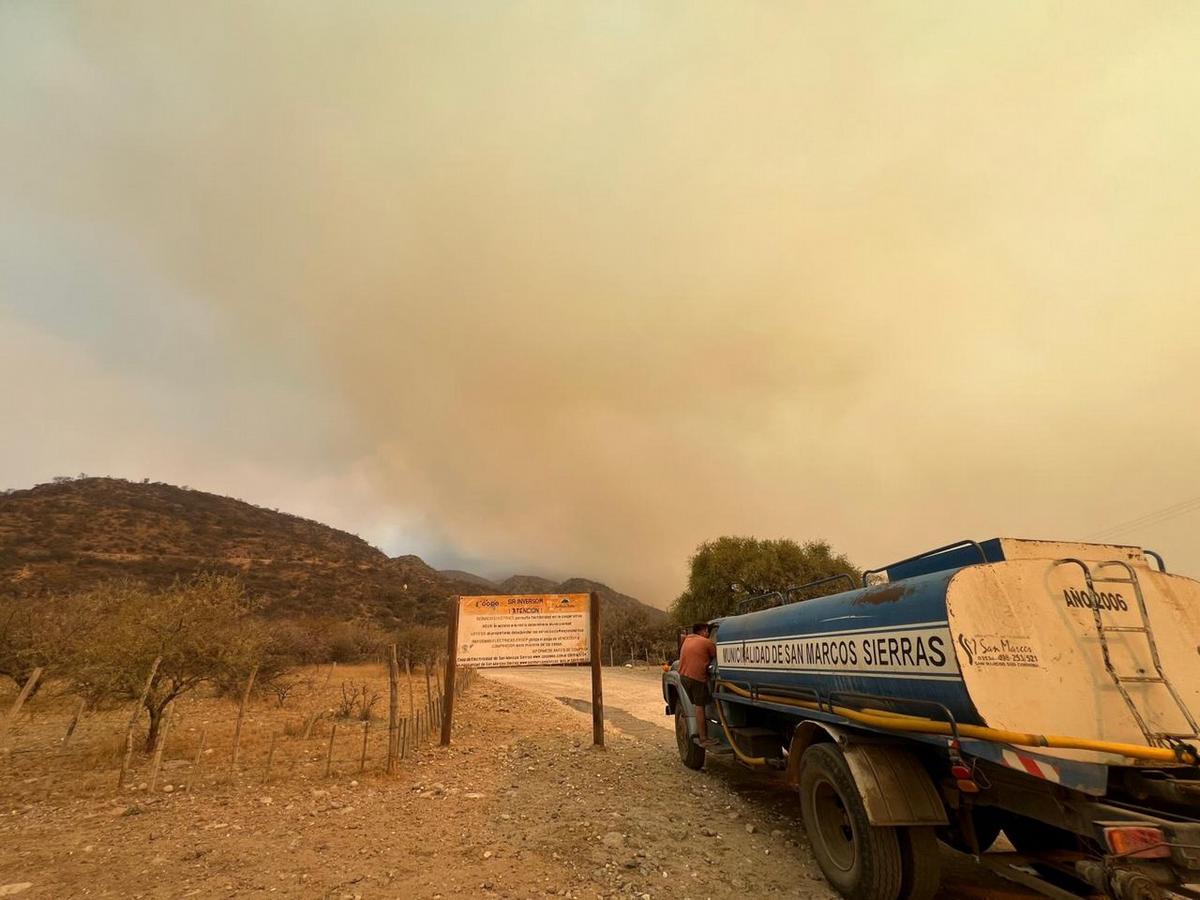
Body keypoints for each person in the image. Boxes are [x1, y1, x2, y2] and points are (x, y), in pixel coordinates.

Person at [678, 622, 718, 747]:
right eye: (707, 631)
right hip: (696, 678)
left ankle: (702, 733)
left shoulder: (688, 639)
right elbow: (717, 655)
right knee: (700, 707)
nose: (707, 634)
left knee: (696, 705)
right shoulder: (706, 642)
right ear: (704, 631)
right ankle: (704, 738)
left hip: (683, 676)